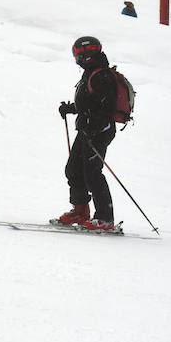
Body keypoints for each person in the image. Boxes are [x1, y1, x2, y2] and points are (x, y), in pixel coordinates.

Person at [56, 36, 118, 231]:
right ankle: (80, 210)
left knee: (92, 173)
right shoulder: (92, 73)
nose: (76, 59)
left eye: (77, 54)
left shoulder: (102, 76)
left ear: (86, 54)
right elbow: (89, 103)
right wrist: (72, 109)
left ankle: (105, 218)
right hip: (87, 130)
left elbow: (106, 107)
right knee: (73, 169)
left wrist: (92, 124)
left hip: (99, 131)